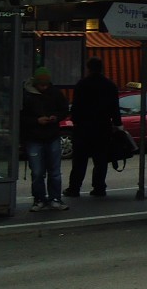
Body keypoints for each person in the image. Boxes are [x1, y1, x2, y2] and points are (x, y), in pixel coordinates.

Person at [66, 57, 121, 198]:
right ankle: (99, 188)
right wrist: (117, 124)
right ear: (102, 68)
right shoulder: (110, 85)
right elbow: (115, 109)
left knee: (79, 161)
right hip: (102, 127)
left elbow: (76, 106)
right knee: (101, 160)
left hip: (83, 128)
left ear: (88, 68)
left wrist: (76, 121)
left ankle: (74, 188)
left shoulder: (82, 84)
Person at [19, 66, 70, 212]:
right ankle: (44, 198)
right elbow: (21, 117)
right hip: (38, 136)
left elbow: (64, 110)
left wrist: (56, 117)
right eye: (42, 84)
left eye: (46, 84)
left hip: (46, 135)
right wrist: (39, 120)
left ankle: (48, 199)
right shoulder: (30, 95)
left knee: (47, 171)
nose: (44, 87)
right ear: (36, 83)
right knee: (40, 172)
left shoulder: (48, 93)